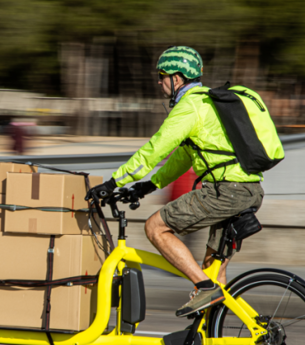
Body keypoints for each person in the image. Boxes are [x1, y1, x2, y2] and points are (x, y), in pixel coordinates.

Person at [88, 46, 281, 318]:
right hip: (249, 191)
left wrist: (113, 182)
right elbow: (184, 156)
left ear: (177, 78)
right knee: (215, 267)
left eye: (162, 75)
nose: (159, 81)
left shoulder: (190, 106)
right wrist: (149, 185)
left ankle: (203, 287)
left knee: (155, 227)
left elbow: (155, 148)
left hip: (225, 192)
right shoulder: (207, 103)